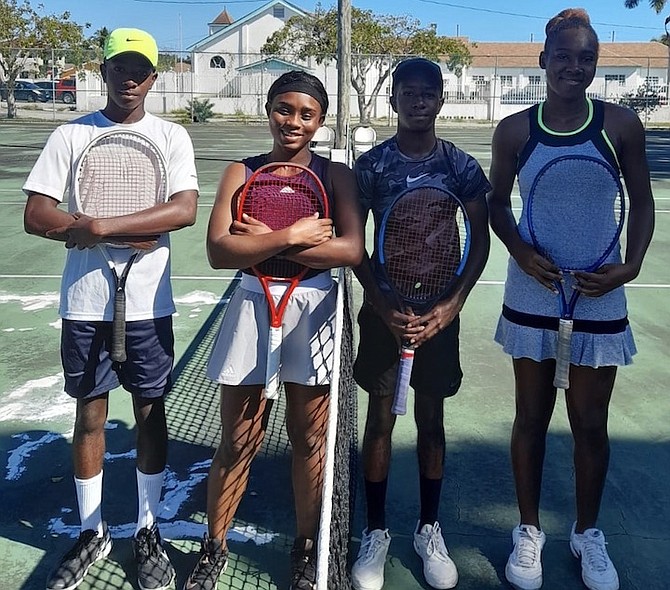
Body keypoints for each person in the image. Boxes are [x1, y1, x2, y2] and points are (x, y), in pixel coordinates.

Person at [23, 28, 199, 590]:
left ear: (154, 77)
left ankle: (148, 529)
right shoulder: (71, 135)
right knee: (90, 416)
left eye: (141, 70)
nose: (130, 78)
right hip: (85, 304)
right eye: (120, 67)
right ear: (105, 71)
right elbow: (36, 215)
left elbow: (184, 210)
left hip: (150, 303)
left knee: (151, 412)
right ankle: (92, 532)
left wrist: (103, 226)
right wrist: (94, 229)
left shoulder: (171, 137)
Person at [487, 9, 654, 590]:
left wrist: (629, 268)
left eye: (586, 58)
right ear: (543, 59)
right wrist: (521, 253)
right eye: (564, 55)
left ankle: (587, 534)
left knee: (590, 422)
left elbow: (642, 201)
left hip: (600, 296)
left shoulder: (622, 125)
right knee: (530, 418)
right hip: (530, 294)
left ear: (595, 64)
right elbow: (496, 204)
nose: (574, 67)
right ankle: (528, 531)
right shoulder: (513, 130)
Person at [181, 70, 364, 590]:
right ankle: (213, 548)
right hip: (250, 306)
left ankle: (306, 550)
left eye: (307, 114)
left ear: (321, 121)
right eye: (285, 109)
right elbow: (220, 250)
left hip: (315, 309)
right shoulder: (241, 171)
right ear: (268, 110)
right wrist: (292, 234)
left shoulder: (336, 175)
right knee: (238, 438)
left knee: (309, 438)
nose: (294, 122)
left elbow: (350, 250)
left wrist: (263, 241)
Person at [350, 57, 491, 590]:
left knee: (431, 422)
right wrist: (383, 304)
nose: (417, 101)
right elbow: (355, 243)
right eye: (407, 93)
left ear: (440, 100)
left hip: (439, 313)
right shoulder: (372, 167)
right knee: (381, 420)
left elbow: (479, 242)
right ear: (392, 100)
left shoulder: (461, 167)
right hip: (385, 314)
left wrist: (450, 305)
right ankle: (377, 532)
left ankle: (428, 528)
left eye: (427, 93)